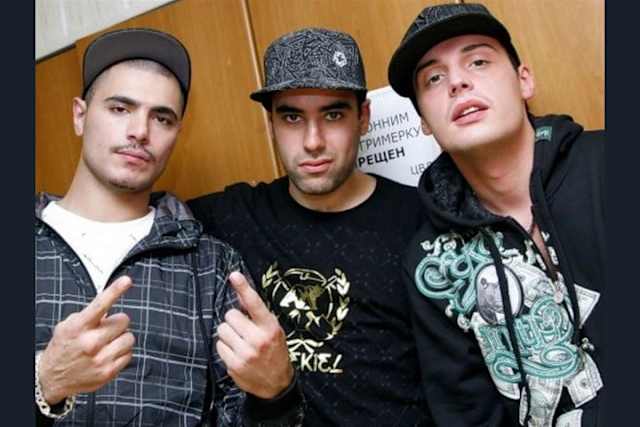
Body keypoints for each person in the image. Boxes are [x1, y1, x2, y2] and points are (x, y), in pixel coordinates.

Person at [35, 28, 304, 426]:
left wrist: (276, 393)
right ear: (80, 115)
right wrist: (43, 383)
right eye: (120, 108)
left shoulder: (210, 266)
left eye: (162, 118)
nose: (140, 132)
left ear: (177, 133)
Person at [188, 28, 432, 426]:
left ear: (363, 117)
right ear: (271, 123)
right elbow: (133, 212)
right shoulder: (237, 215)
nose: (313, 141)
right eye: (292, 117)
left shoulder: (420, 220)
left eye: (333, 115)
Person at [387, 3, 604, 426]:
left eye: (478, 61)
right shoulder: (433, 264)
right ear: (424, 121)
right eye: (434, 78)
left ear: (524, 80)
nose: (457, 82)